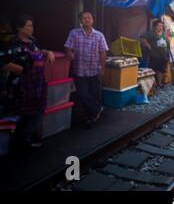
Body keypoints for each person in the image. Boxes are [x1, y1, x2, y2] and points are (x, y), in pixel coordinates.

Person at [2, 15, 54, 150]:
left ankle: (30, 137)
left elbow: (38, 51)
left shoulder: (32, 40)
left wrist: (48, 52)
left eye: (32, 25)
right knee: (22, 114)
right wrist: (22, 70)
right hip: (22, 85)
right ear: (19, 27)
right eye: (29, 26)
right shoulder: (13, 43)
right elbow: (3, 62)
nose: (32, 28)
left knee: (38, 111)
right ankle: (22, 142)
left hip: (37, 84)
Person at [65, 11, 108, 128]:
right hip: (80, 70)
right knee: (83, 94)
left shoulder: (99, 35)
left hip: (95, 70)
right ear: (80, 21)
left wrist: (102, 69)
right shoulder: (74, 33)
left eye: (89, 18)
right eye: (84, 18)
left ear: (92, 20)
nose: (87, 20)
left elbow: (103, 53)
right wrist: (69, 53)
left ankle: (92, 116)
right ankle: (98, 109)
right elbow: (68, 47)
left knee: (95, 94)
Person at [140, 19, 170, 88]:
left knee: (161, 70)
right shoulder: (151, 33)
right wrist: (148, 45)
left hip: (163, 55)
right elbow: (142, 38)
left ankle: (159, 83)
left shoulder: (163, 33)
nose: (161, 27)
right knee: (154, 69)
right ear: (155, 26)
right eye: (159, 26)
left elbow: (167, 41)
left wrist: (168, 49)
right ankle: (154, 83)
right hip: (155, 55)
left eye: (162, 26)